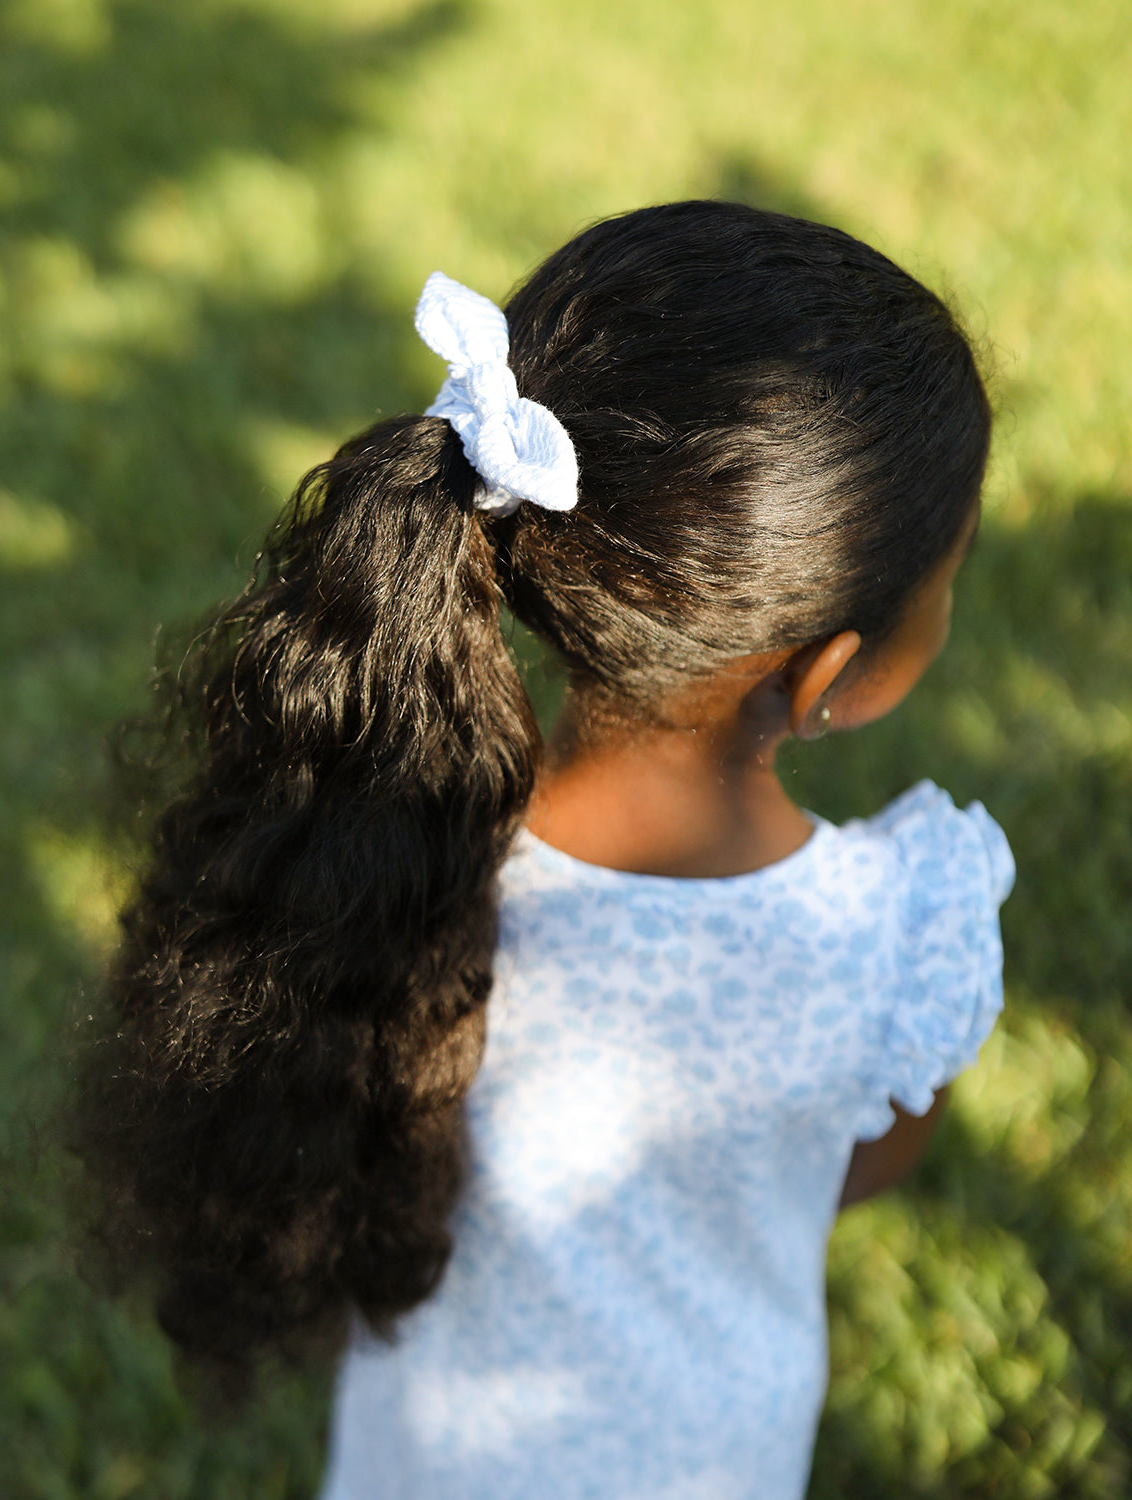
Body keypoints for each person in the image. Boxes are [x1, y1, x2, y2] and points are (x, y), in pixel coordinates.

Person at [75, 201, 1014, 1500]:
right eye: (950, 574)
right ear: (826, 676)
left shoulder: (386, 864)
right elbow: (871, 1160)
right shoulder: (905, 933)